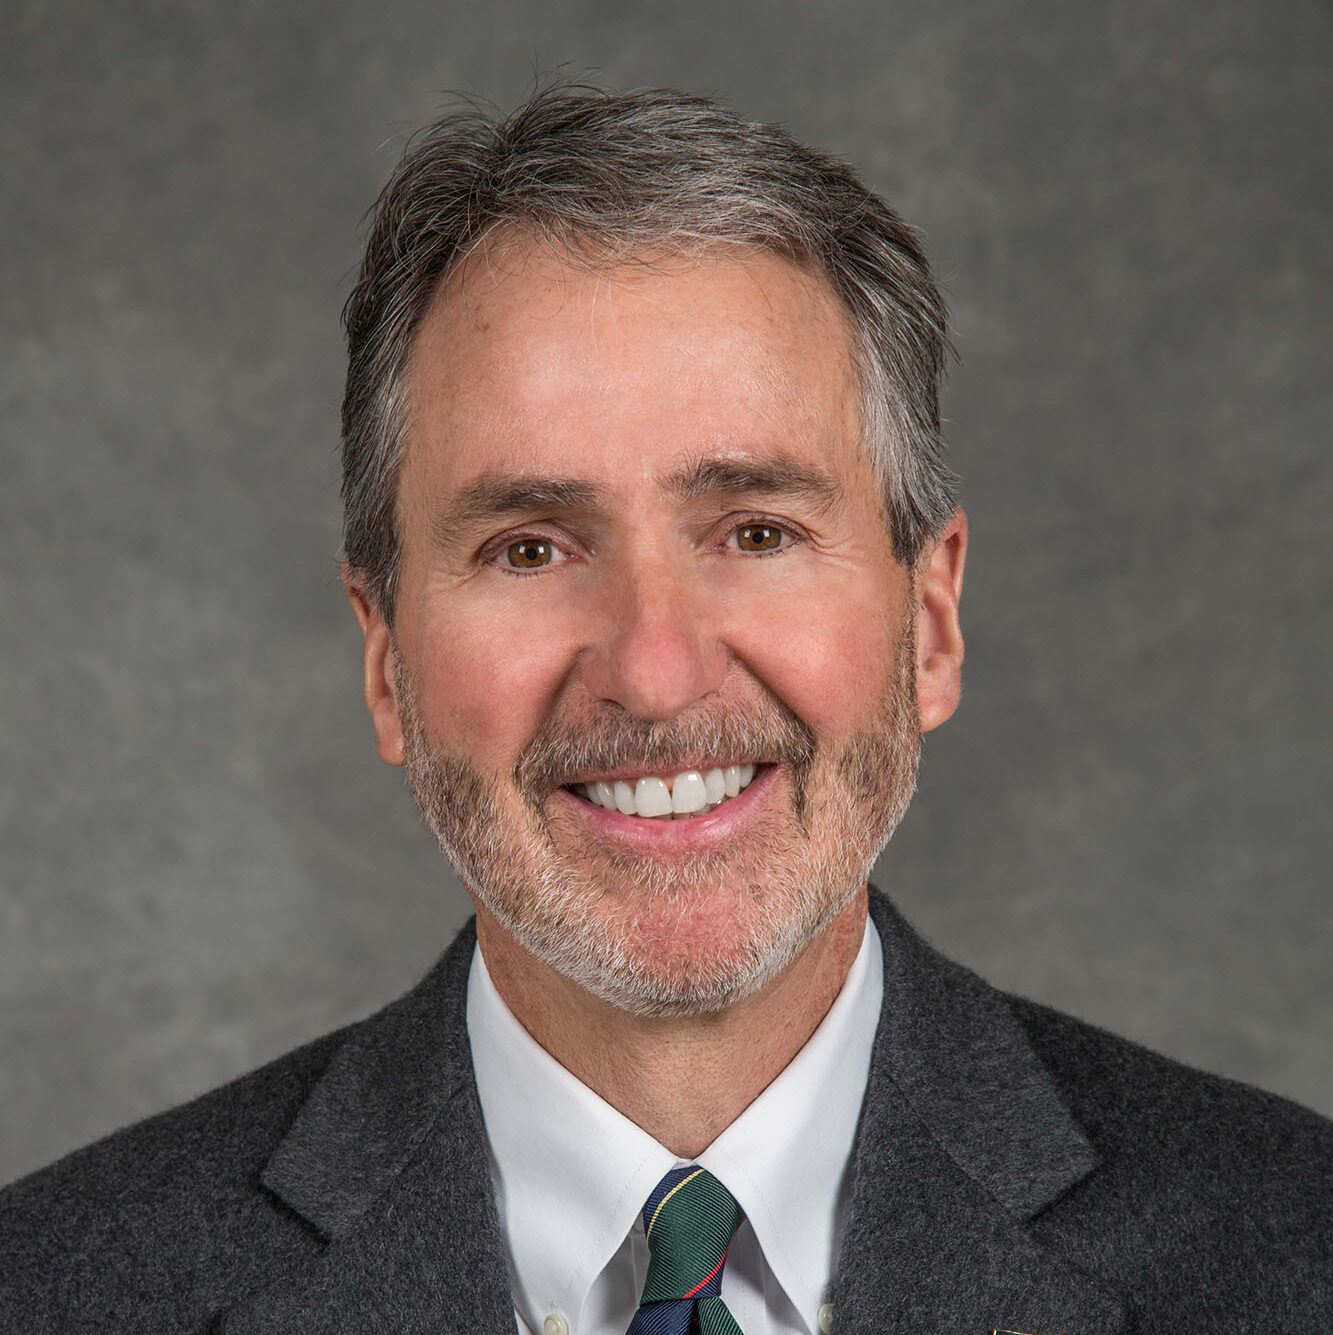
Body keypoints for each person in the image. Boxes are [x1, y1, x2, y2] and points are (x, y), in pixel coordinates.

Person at [1, 83, 1330, 1335]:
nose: (652, 668)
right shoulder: (59, 1290)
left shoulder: (1289, 1252)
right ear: (384, 661)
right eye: (528, 547)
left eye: (754, 530)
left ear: (928, 618)